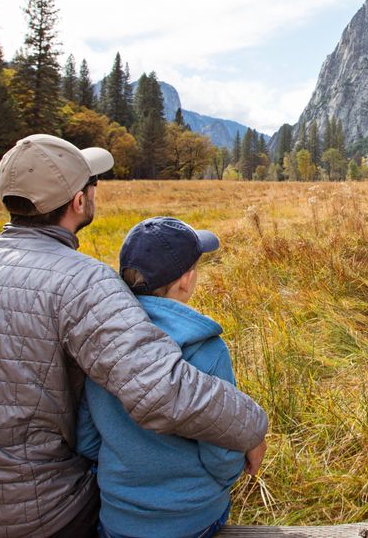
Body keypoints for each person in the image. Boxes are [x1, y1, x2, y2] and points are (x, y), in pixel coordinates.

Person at [0, 134, 268, 538]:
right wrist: (250, 424)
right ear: (80, 202)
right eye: (91, 183)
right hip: (39, 518)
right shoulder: (83, 283)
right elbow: (162, 390)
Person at [76, 217, 246, 538]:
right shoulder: (207, 351)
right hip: (192, 518)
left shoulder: (103, 343)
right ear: (187, 281)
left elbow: (86, 438)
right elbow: (224, 448)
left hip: (118, 516)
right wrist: (218, 484)